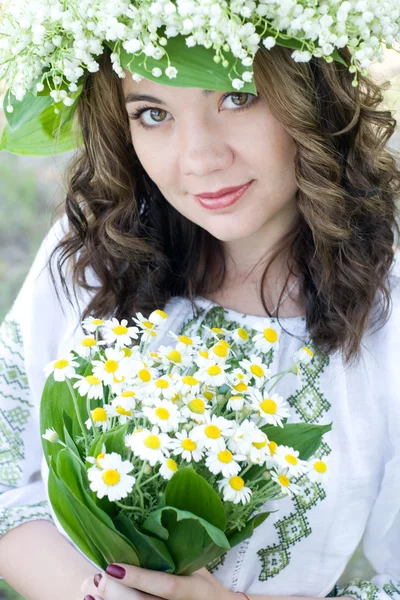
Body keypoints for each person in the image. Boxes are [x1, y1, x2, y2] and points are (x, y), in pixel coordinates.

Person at [0, 4, 399, 600]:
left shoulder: (388, 293)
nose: (200, 159)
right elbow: (10, 481)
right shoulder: (95, 245)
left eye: (237, 98)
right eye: (152, 113)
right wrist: (100, 593)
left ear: (311, 90)